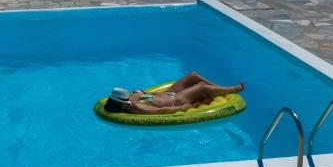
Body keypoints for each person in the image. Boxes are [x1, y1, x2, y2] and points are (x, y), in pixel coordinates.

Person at [103, 71, 244, 114]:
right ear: (123, 104)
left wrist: (141, 92)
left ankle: (218, 89)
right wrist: (181, 108)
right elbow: (161, 111)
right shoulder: (138, 107)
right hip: (177, 100)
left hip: (169, 93)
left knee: (193, 75)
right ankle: (232, 89)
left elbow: (149, 94)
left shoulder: (133, 98)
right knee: (201, 86)